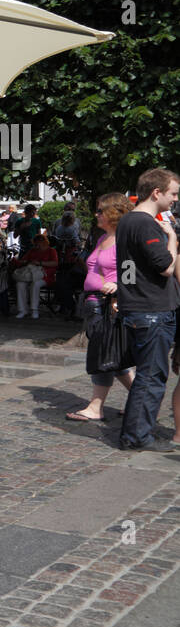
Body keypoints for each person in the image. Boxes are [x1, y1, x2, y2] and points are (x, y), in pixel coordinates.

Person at [116, 168, 180, 452]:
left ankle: (136, 433)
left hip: (137, 306)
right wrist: (172, 238)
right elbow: (166, 267)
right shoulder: (145, 224)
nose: (175, 200)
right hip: (151, 310)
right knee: (151, 376)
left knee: (147, 374)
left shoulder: (127, 222)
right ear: (157, 192)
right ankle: (137, 436)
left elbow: (132, 268)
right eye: (173, 194)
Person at [67, 193, 135, 423]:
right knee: (112, 357)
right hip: (94, 303)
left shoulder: (124, 240)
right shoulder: (103, 237)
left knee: (103, 354)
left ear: (113, 214)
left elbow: (129, 275)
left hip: (108, 305)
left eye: (100, 211)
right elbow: (94, 269)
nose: (96, 214)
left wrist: (117, 288)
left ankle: (96, 407)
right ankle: (142, 400)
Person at [12, 233, 57, 319]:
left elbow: (55, 263)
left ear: (44, 242)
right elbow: (23, 260)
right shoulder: (32, 251)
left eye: (38, 244)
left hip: (45, 276)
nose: (36, 246)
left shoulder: (51, 251)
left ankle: (34, 309)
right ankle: (22, 310)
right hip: (31, 274)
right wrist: (22, 262)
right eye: (35, 244)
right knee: (20, 284)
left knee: (35, 284)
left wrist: (40, 263)